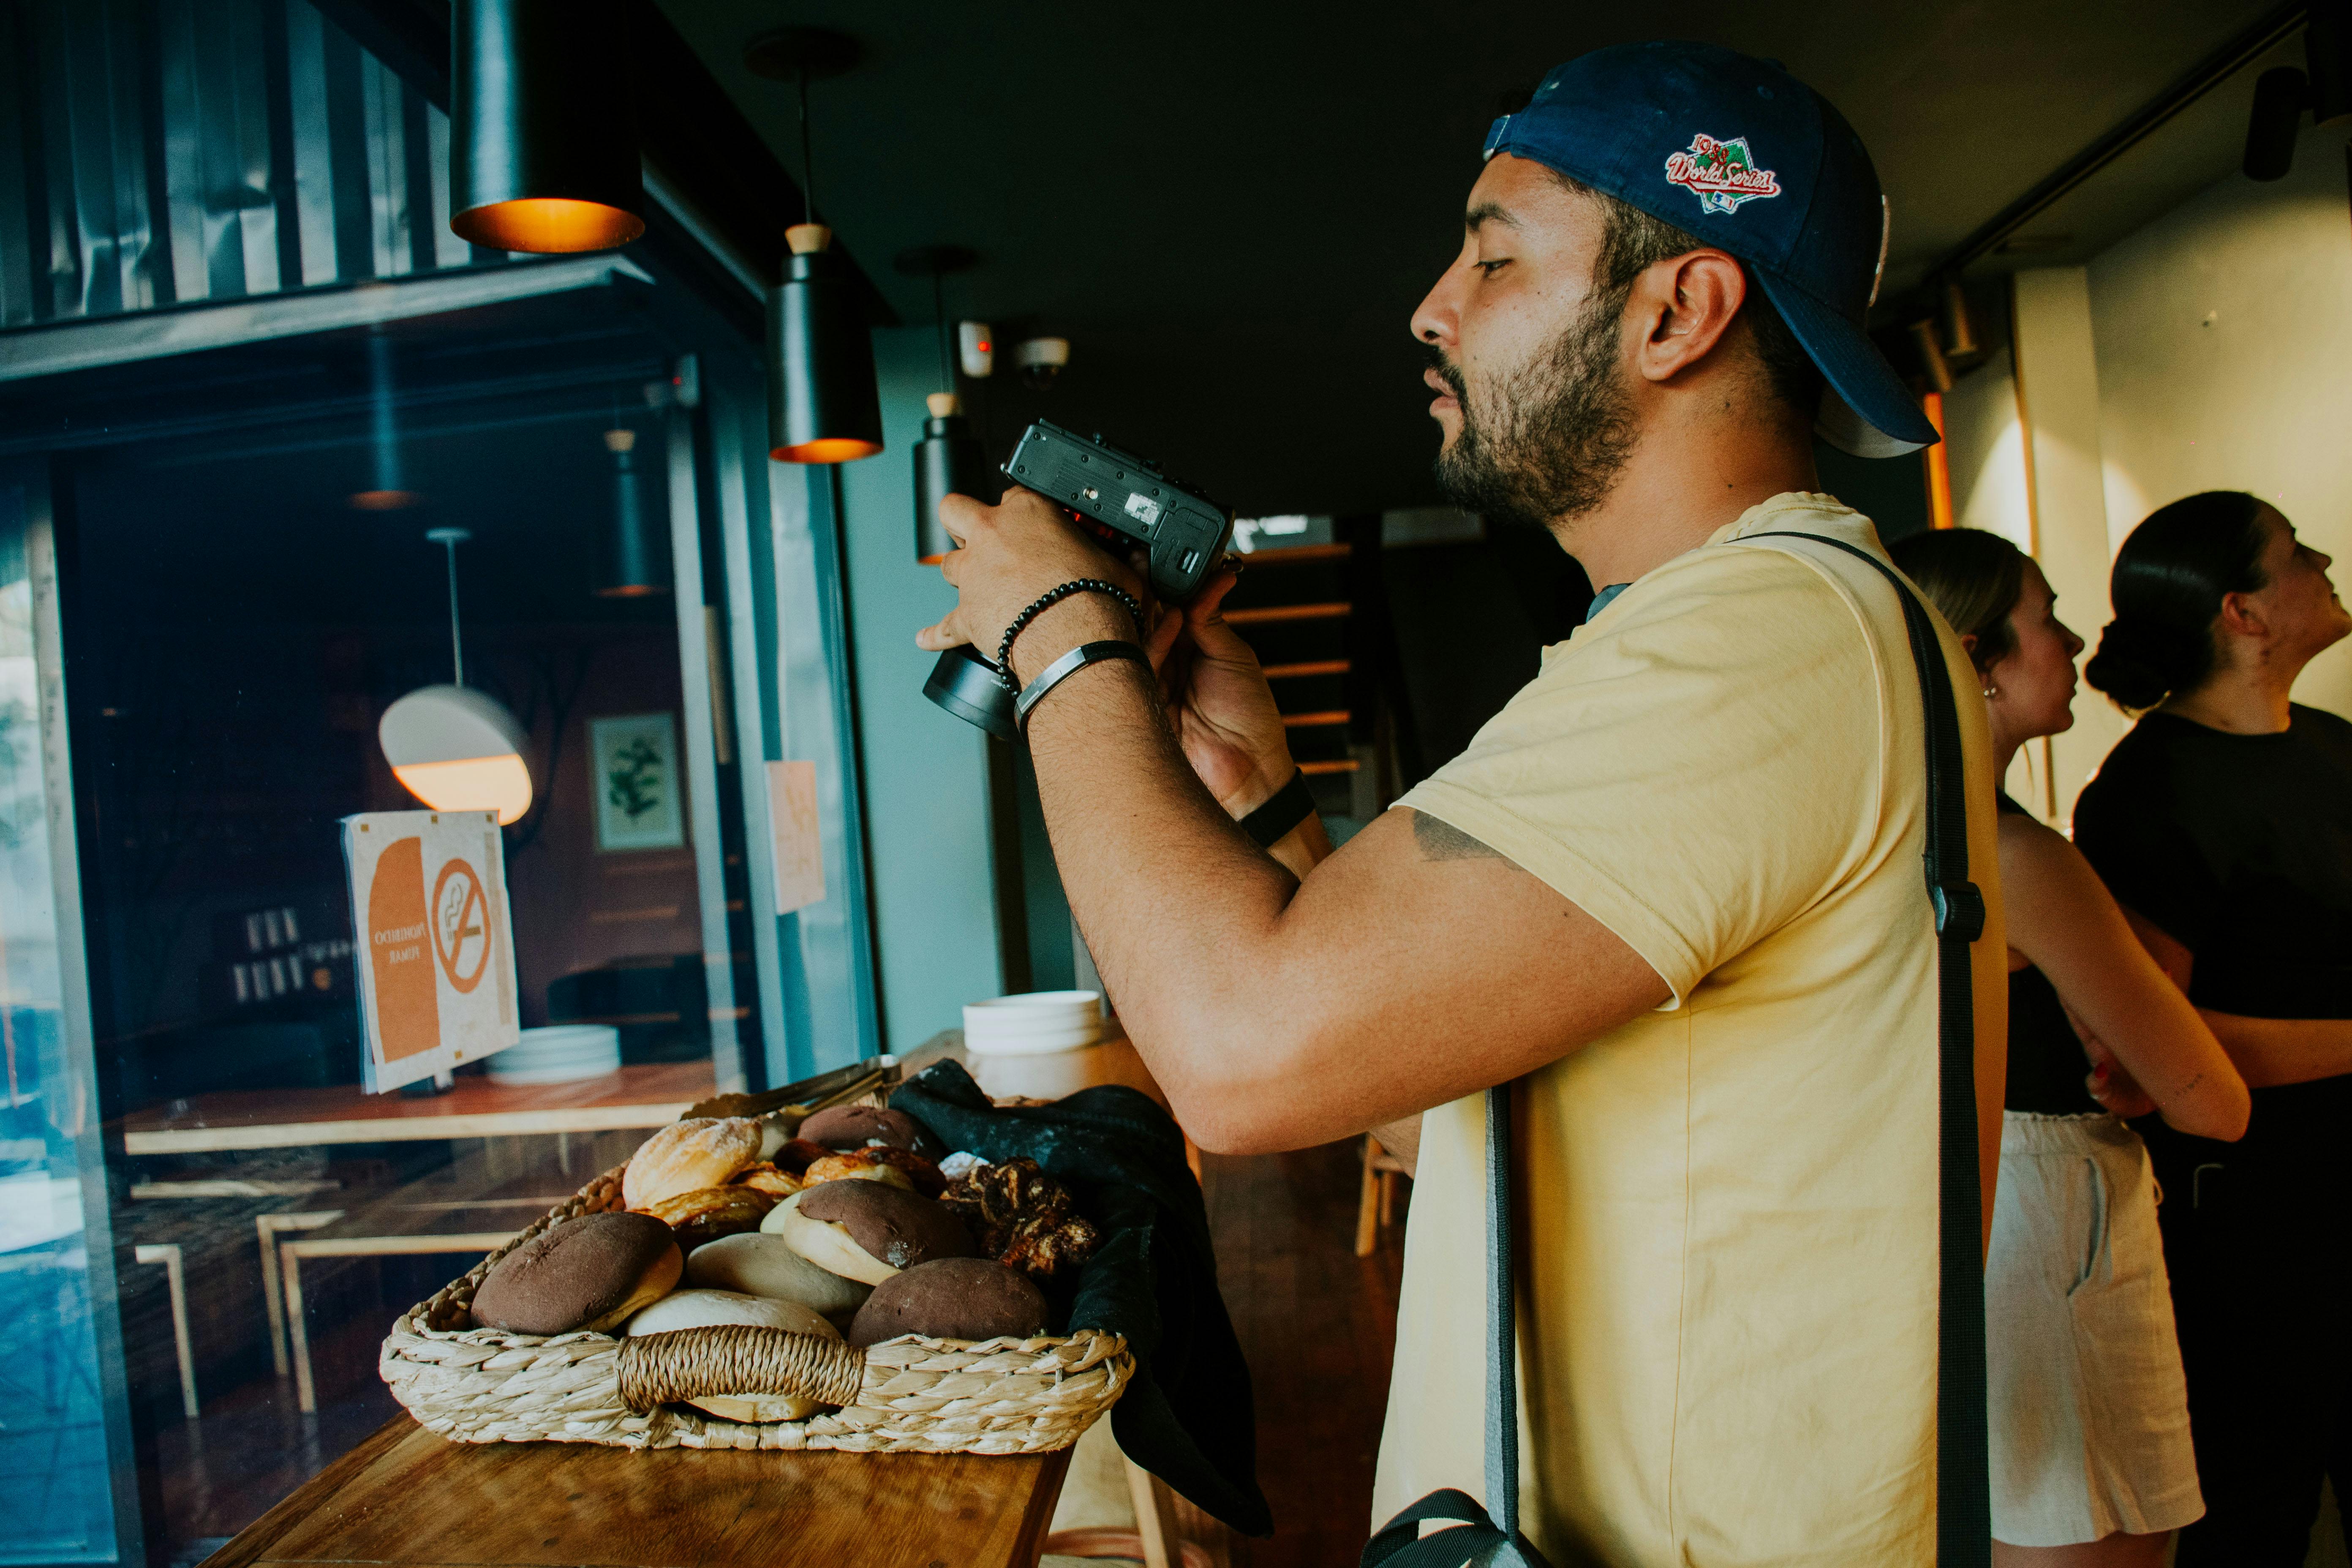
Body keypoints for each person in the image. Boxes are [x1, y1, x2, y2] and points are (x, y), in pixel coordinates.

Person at [919, 42, 2009, 1565]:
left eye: (1492, 258)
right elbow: (1435, 1085)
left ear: (1675, 310)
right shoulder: (1717, 632)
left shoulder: (1756, 643)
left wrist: (1060, 636)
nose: (1429, 305)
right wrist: (1263, 809)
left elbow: (1239, 1062)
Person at [1891, 528, 2248, 1566]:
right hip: (2053, 1223)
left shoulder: (1883, 829)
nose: (2077, 639)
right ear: (1978, 660)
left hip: (1953, 1212)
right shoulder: (2015, 853)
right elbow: (2213, 1103)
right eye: (2047, 620)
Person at [2070, 491, 2352, 1566]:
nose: (2322, 560)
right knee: (2260, 1512)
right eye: (2294, 553)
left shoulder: (2332, 746)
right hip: (2258, 1222)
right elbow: (2160, 1044)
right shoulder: (2152, 789)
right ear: (2242, 610)